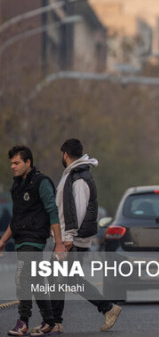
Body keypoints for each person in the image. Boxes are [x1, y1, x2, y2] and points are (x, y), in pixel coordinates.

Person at [31, 139, 121, 334]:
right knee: (59, 278)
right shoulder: (74, 174)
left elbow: (78, 211)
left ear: (65, 154)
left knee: (66, 279)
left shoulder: (79, 178)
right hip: (67, 238)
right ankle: (56, 322)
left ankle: (107, 308)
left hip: (72, 240)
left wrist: (68, 238)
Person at [0, 145, 67, 336]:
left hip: (35, 239)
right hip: (21, 239)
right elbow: (16, 218)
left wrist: (59, 242)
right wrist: (3, 240)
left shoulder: (42, 182)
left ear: (28, 162)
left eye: (17, 163)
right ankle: (49, 321)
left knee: (22, 277)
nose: (12, 166)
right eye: (11, 163)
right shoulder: (16, 185)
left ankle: (23, 322)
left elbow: (52, 212)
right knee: (35, 280)